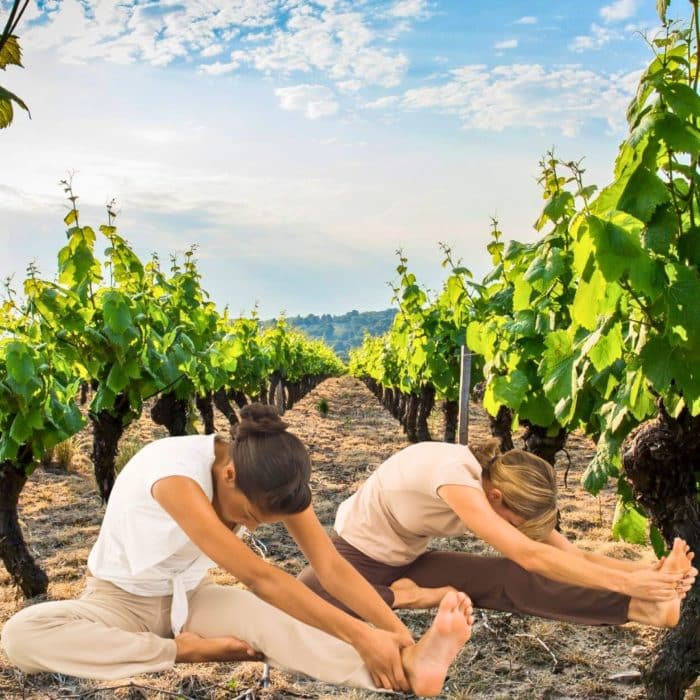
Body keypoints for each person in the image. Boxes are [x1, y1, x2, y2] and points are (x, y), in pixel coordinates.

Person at [1, 405, 474, 696]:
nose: (248, 525)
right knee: (21, 635)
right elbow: (263, 577)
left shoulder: (275, 475)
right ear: (228, 476)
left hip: (192, 597)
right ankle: (172, 652)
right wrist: (358, 633)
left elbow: (329, 565)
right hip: (120, 601)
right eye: (248, 514)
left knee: (275, 624)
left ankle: (412, 668)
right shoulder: (175, 477)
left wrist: (394, 635)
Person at [298, 440, 696, 628]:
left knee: (510, 578)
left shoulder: (496, 487)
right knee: (300, 599)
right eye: (514, 524)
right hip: (352, 560)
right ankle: (403, 598)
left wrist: (649, 575)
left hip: (408, 561)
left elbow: (568, 555)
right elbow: (532, 555)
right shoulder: (454, 477)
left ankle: (641, 610)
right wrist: (631, 580)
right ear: (496, 497)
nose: (514, 532)